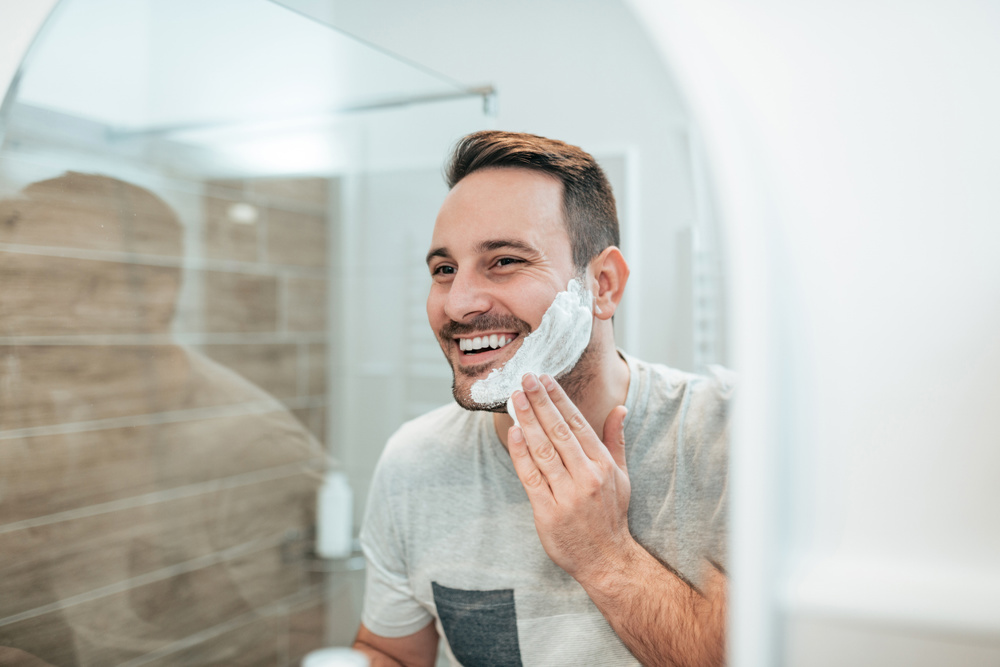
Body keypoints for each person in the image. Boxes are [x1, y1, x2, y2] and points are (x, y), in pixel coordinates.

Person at [353, 131, 730, 667]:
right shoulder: (414, 461)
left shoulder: (729, 437)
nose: (459, 303)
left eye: (504, 260)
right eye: (444, 270)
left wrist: (605, 558)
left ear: (602, 285)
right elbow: (389, 652)